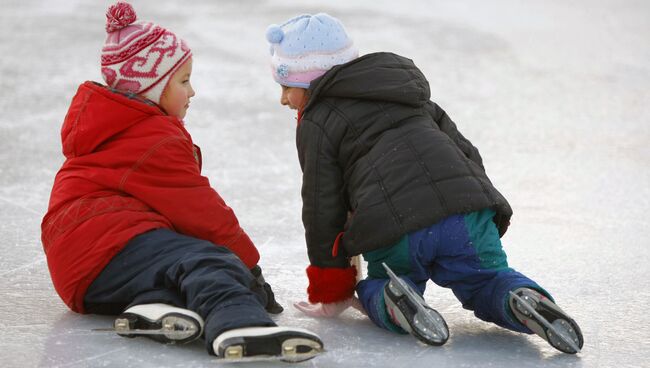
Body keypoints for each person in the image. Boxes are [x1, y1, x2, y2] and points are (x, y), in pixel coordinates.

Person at [265, 13, 584, 354]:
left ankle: (394, 299)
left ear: (313, 84)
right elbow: (466, 153)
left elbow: (321, 206)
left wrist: (332, 287)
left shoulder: (318, 121)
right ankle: (520, 298)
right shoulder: (410, 94)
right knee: (487, 281)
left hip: (394, 228)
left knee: (384, 282)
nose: (283, 99)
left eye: (287, 88)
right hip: (466, 212)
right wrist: (484, 211)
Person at [40, 2, 323, 362]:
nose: (192, 92)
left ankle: (153, 309)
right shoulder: (153, 136)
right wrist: (248, 266)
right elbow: (201, 211)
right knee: (207, 260)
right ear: (150, 88)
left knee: (172, 267)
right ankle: (239, 324)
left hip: (81, 267)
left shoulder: (113, 127)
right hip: (107, 243)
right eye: (184, 81)